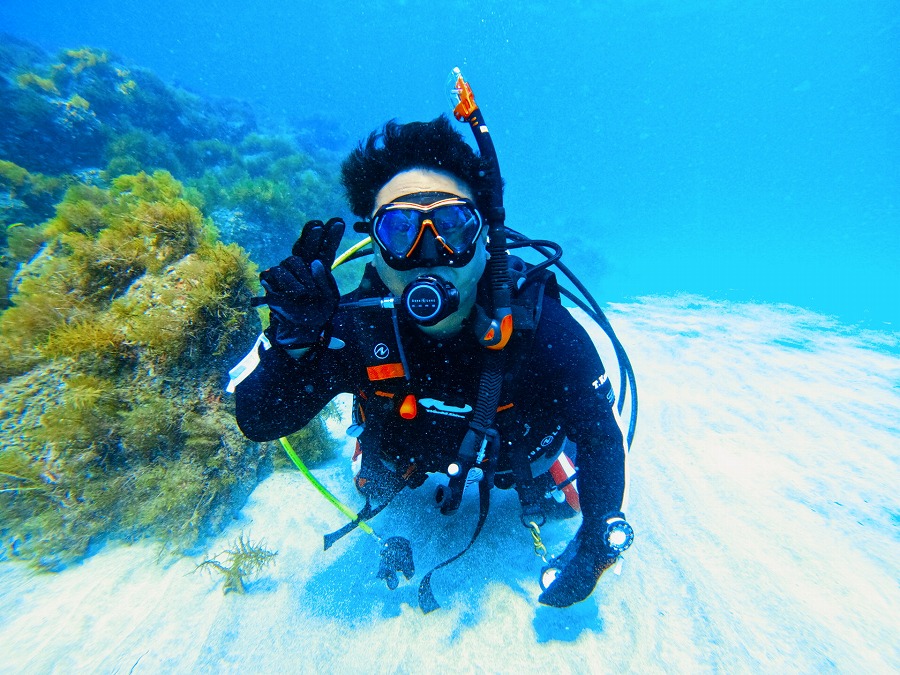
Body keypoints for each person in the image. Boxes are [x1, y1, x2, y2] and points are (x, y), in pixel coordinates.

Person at [233, 114, 632, 609]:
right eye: (400, 230)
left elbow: (599, 432)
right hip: (407, 451)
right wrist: (292, 346)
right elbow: (259, 419)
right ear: (375, 248)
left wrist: (596, 540)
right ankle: (377, 458)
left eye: (450, 227)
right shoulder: (359, 325)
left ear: (485, 234)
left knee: (556, 481)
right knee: (377, 479)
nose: (428, 254)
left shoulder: (538, 323)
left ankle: (549, 469)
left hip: (512, 456)